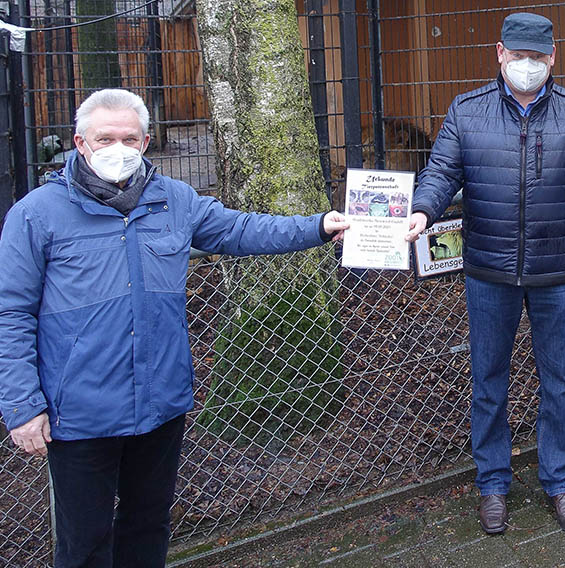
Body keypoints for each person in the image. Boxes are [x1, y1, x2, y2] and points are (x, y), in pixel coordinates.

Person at [0, 88, 349, 568]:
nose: (117, 148)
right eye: (104, 138)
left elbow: (241, 230)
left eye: (129, 138)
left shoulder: (175, 201)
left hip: (159, 402)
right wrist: (22, 405)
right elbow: (11, 313)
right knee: (84, 542)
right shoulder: (36, 214)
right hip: (79, 411)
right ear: (80, 143)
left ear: (145, 142)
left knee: (148, 525)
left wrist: (317, 226)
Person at [406, 12, 565, 536]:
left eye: (538, 56)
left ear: (553, 58)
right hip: (489, 273)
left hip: (556, 274)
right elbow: (440, 173)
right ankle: (493, 484)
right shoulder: (467, 112)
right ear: (499, 53)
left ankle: (560, 480)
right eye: (517, 55)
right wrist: (421, 210)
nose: (527, 65)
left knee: (561, 384)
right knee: (488, 382)